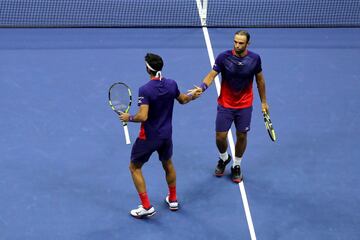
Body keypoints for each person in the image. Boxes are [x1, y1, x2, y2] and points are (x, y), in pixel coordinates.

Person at [119, 53, 200, 219]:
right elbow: (184, 99)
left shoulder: (145, 89)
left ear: (147, 68)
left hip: (148, 137)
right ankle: (173, 199)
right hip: (166, 135)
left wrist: (129, 117)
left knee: (134, 167)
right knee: (168, 163)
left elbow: (143, 116)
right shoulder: (171, 84)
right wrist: (193, 95)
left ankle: (147, 206)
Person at [194, 30, 269, 183]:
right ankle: (224, 157)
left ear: (248, 43)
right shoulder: (224, 57)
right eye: (235, 42)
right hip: (225, 104)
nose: (237, 45)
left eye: (241, 43)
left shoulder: (255, 59)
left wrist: (263, 102)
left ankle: (236, 164)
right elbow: (212, 75)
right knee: (220, 137)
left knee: (242, 136)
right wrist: (202, 87)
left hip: (245, 105)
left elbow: (260, 81)